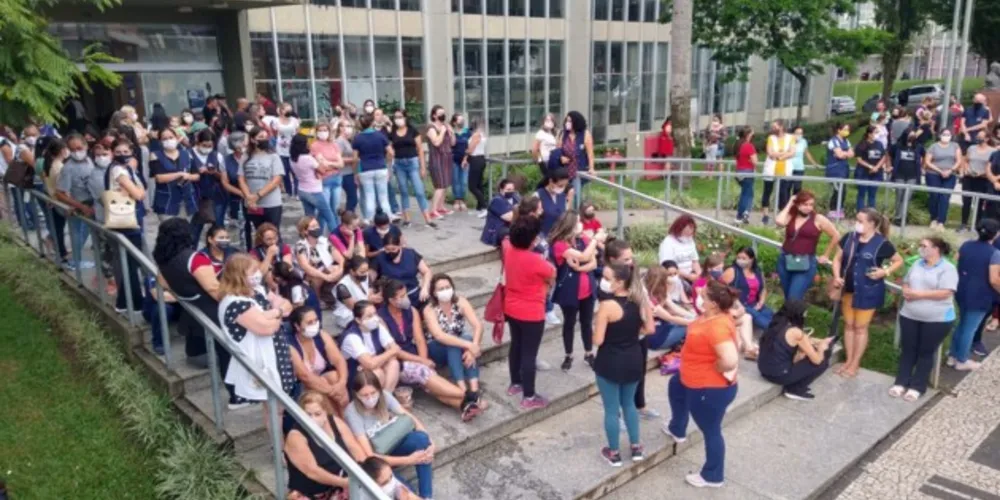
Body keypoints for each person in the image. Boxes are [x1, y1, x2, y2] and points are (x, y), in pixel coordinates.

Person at [663, 280, 740, 489]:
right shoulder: (710, 316)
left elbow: (731, 358)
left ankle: (713, 475)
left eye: (703, 295)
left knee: (711, 430)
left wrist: (717, 366)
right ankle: (677, 428)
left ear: (713, 303)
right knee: (675, 387)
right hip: (689, 377)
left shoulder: (717, 326)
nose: (698, 295)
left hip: (709, 388)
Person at [830, 208, 903, 378]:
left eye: (861, 221)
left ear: (872, 224)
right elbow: (837, 259)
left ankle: (855, 364)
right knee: (848, 325)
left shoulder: (882, 243)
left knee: (860, 327)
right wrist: (836, 276)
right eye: (857, 220)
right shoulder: (849, 237)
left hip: (868, 291)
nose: (857, 224)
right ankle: (848, 360)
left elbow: (898, 260)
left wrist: (884, 272)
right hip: (848, 289)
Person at [594, 262, 654, 466]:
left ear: (619, 282)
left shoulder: (607, 306)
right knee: (629, 404)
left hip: (610, 360)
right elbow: (650, 329)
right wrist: (633, 335)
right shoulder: (640, 300)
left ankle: (614, 452)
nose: (604, 281)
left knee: (611, 409)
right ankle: (636, 447)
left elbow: (598, 340)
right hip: (634, 358)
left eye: (608, 278)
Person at [344, 369, 436, 500]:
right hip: (377, 462)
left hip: (393, 445)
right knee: (404, 491)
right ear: (356, 394)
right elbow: (369, 455)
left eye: (373, 393)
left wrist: (430, 441)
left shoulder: (385, 396)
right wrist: (408, 460)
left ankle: (427, 496)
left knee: (421, 439)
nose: (370, 398)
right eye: (364, 395)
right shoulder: (352, 413)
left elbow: (408, 416)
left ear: (379, 390)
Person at [379, 280, 468, 410]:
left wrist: (424, 359)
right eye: (402, 296)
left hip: (414, 355)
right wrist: (422, 361)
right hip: (398, 360)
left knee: (432, 386)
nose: (406, 299)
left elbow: (420, 340)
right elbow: (394, 350)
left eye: (406, 294)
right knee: (424, 373)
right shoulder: (381, 318)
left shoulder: (411, 311)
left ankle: (466, 406)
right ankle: (468, 396)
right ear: (392, 300)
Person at [503, 216, 556, 410]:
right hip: (531, 312)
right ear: (533, 239)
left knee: (516, 345)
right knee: (529, 353)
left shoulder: (509, 250)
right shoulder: (535, 260)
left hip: (511, 307)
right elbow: (552, 273)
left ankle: (515, 383)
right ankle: (529, 395)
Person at [894, 237, 958, 399]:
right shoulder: (917, 264)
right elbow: (907, 281)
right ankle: (901, 381)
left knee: (925, 351)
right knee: (908, 349)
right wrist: (907, 289)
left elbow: (946, 292)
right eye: (920, 245)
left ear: (936, 249)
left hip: (937, 319)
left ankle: (917, 385)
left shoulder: (948, 268)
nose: (920, 248)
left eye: (924, 246)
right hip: (910, 314)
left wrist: (918, 294)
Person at [423, 274, 486, 421]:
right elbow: (439, 336)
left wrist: (473, 348)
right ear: (433, 292)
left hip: (459, 345)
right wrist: (469, 346)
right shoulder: (429, 309)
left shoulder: (460, 302)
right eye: (441, 288)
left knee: (465, 338)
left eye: (448, 287)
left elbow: (478, 325)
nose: (445, 290)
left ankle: (474, 391)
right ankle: (464, 392)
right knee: (455, 342)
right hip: (437, 349)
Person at [549, 210, 605, 370]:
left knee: (587, 323)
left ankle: (589, 353)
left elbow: (593, 262)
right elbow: (584, 256)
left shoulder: (582, 239)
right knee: (569, 323)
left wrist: (580, 269)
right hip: (569, 291)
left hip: (587, 289)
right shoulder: (559, 244)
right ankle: (568, 355)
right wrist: (595, 239)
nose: (581, 225)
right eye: (577, 222)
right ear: (570, 225)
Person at [284, 391, 366, 499]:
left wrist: (364, 470)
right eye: (308, 414)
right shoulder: (296, 437)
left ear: (325, 413)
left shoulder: (335, 423)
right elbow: (312, 471)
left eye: (317, 414)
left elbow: (354, 448)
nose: (312, 419)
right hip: (311, 492)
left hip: (341, 486)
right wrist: (344, 482)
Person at [103, 139, 148, 314]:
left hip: (128, 220)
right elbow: (139, 194)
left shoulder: (125, 169)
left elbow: (139, 191)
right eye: (119, 151)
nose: (123, 155)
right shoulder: (119, 170)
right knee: (130, 264)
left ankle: (124, 302)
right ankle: (133, 303)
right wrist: (137, 190)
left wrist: (137, 190)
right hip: (125, 223)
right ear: (113, 152)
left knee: (129, 264)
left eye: (126, 151)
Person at [758, 300, 832, 400]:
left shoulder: (776, 324)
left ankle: (794, 384)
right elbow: (817, 360)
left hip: (764, 370)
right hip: (779, 375)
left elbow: (795, 340)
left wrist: (818, 341)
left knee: (806, 354)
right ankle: (795, 389)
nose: (806, 315)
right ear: (798, 313)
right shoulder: (796, 332)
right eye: (804, 313)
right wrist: (822, 348)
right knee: (823, 360)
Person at [951, 219, 1000, 371]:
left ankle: (952, 356)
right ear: (996, 234)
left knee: (962, 324)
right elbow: (994, 279)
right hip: (981, 296)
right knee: (970, 328)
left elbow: (955, 262)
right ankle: (962, 360)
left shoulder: (966, 245)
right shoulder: (995, 253)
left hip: (962, 290)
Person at [775, 190, 840, 300]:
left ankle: (796, 316)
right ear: (798, 204)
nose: (808, 208)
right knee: (788, 297)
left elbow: (836, 235)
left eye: (811, 205)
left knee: (793, 298)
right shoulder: (792, 215)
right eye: (805, 204)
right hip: (786, 259)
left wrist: (826, 254)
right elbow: (779, 221)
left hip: (805, 262)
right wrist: (790, 202)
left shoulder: (818, 218)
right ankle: (795, 316)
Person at [287, 306, 350, 410]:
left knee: (334, 376)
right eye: (309, 322)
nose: (315, 325)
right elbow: (304, 376)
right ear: (297, 326)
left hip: (324, 382)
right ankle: (334, 421)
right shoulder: (291, 345)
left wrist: (342, 383)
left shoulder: (321, 335)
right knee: (322, 385)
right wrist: (332, 391)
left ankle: (345, 418)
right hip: (302, 387)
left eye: (316, 320)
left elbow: (339, 360)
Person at [54, 133, 95, 270]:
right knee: (77, 233)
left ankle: (75, 258)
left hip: (92, 203)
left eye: (79, 148)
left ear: (86, 146)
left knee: (87, 232)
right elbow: (59, 193)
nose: (77, 152)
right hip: (79, 205)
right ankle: (76, 261)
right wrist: (80, 206)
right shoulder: (68, 168)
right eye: (72, 150)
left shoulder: (89, 160)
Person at [390, 109, 435, 227]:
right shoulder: (392, 132)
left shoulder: (412, 131)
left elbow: (420, 149)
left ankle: (428, 219)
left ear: (405, 117)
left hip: (412, 162)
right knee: (404, 191)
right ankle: (407, 219)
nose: (398, 119)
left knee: (419, 191)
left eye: (400, 117)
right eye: (395, 117)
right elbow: (390, 150)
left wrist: (423, 167)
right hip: (399, 164)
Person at [239, 126, 285, 235]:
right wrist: (249, 197)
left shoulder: (273, 156)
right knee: (258, 234)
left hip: (271, 203)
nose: (264, 139)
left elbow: (276, 180)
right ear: (253, 139)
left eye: (265, 137)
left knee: (273, 233)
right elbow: (241, 178)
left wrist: (258, 195)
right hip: (252, 204)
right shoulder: (246, 156)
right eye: (261, 137)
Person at [353, 113, 395, 224]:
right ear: (372, 123)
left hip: (365, 169)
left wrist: (355, 173)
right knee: (383, 197)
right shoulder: (380, 135)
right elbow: (391, 152)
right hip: (381, 167)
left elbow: (355, 158)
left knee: (369, 197)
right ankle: (388, 220)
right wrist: (386, 163)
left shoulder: (358, 138)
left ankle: (369, 221)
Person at [149, 127, 198, 222]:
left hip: (186, 200)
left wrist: (188, 176)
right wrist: (180, 174)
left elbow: (196, 175)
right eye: (164, 139)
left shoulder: (187, 154)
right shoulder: (155, 155)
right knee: (169, 231)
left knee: (185, 231)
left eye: (171, 137)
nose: (168, 140)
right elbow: (159, 178)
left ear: (176, 138)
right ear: (160, 141)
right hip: (166, 200)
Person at [372, 232, 433, 308]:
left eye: (393, 249)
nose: (390, 252)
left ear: (399, 246)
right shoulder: (380, 258)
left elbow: (426, 271)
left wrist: (425, 288)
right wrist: (372, 294)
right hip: (394, 300)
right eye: (387, 249)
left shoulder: (410, 254)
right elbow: (370, 278)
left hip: (415, 294)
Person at [721, 247, 772, 336]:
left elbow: (763, 288)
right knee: (760, 319)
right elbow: (719, 287)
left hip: (755, 303)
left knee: (770, 314)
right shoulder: (732, 271)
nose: (740, 260)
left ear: (751, 259)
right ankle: (780, 334)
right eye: (739, 258)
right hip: (740, 305)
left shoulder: (757, 272)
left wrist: (761, 302)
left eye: (744, 258)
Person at [290, 133, 333, 236]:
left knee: (310, 218)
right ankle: (337, 238)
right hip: (314, 190)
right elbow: (322, 170)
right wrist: (320, 160)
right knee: (329, 216)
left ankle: (311, 238)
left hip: (302, 189)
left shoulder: (292, 158)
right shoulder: (308, 159)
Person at [189, 129, 228, 243]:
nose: (207, 148)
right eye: (204, 145)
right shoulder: (189, 154)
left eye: (210, 145)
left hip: (215, 194)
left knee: (218, 225)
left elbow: (224, 177)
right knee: (195, 227)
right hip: (197, 195)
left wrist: (214, 172)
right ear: (198, 143)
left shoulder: (217, 156)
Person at [294, 216, 342, 306]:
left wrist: (341, 267)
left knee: (337, 269)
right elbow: (306, 267)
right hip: (308, 274)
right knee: (316, 277)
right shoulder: (301, 246)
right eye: (313, 227)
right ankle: (318, 299)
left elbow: (337, 255)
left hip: (324, 268)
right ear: (305, 231)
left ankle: (334, 296)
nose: (316, 228)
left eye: (317, 225)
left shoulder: (323, 241)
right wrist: (325, 276)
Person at [645, 265, 695, 351]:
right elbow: (670, 318)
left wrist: (692, 315)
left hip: (660, 327)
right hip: (654, 338)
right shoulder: (648, 299)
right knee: (688, 327)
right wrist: (695, 322)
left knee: (683, 320)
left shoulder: (659, 292)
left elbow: (674, 307)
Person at [924, 129, 963, 230]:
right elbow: (927, 161)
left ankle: (941, 221)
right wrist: (940, 171)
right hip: (934, 174)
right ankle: (933, 219)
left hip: (950, 174)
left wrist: (950, 170)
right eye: (944, 134)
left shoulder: (955, 146)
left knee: (945, 197)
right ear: (940, 135)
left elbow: (959, 160)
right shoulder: (934, 146)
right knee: (934, 196)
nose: (946, 136)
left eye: (948, 134)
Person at [310, 119, 344, 233]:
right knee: (325, 209)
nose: (323, 132)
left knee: (335, 209)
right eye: (320, 130)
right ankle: (318, 234)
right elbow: (322, 166)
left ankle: (336, 234)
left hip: (337, 179)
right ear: (316, 132)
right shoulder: (315, 146)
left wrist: (330, 163)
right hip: (324, 181)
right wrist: (334, 165)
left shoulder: (334, 145)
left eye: (325, 130)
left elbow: (341, 164)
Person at [761, 119, 795, 225]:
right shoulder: (771, 138)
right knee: (767, 191)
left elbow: (792, 152)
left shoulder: (790, 138)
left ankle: (782, 214)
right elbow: (770, 152)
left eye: (775, 126)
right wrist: (783, 153)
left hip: (784, 169)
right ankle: (765, 215)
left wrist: (781, 156)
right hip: (771, 169)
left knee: (783, 193)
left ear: (781, 127)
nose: (773, 128)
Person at [41, 138, 69, 264]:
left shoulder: (51, 164)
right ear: (63, 151)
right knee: (59, 229)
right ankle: (61, 254)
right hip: (58, 202)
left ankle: (60, 250)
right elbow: (61, 188)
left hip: (53, 200)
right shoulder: (59, 166)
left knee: (58, 228)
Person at [557, 111, 595, 202]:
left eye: (570, 121)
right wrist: (561, 157)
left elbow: (590, 154)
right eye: (566, 121)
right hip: (565, 170)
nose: (567, 123)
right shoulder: (563, 134)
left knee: (574, 195)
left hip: (578, 170)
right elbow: (557, 151)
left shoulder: (585, 134)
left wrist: (591, 168)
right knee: (563, 194)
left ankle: (574, 213)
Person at [961, 130, 994, 232]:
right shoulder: (972, 148)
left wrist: (982, 173)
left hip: (982, 180)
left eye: (980, 136)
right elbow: (965, 160)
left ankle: (976, 225)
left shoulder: (992, 151)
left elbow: (992, 167)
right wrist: (966, 170)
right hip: (969, 178)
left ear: (987, 139)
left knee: (979, 204)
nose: (978, 138)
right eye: (978, 136)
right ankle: (963, 224)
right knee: (966, 202)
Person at [426, 105, 455, 217]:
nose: (443, 115)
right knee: (440, 185)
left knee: (446, 184)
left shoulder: (445, 126)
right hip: (437, 158)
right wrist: (442, 131)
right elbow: (436, 143)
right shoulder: (431, 128)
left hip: (447, 157)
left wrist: (451, 132)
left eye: (444, 113)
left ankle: (441, 206)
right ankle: (433, 210)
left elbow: (452, 143)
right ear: (434, 115)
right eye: (440, 113)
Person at [891, 129, 924, 226]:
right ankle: (897, 216)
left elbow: (925, 155)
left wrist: (923, 167)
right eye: (910, 135)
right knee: (899, 195)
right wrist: (889, 166)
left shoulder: (918, 147)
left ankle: (903, 217)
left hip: (912, 175)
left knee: (907, 197)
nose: (912, 137)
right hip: (899, 174)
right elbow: (888, 154)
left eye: (914, 135)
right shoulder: (897, 146)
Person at [657, 215, 701, 284]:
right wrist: (688, 276)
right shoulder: (668, 242)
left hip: (692, 274)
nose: (692, 231)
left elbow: (695, 261)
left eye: (693, 228)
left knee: (705, 284)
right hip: (676, 276)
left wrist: (699, 274)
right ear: (681, 227)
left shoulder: (690, 240)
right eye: (689, 228)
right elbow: (669, 266)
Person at [334, 256, 374, 329]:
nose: (366, 273)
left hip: (366, 308)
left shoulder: (367, 276)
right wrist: (371, 300)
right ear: (352, 272)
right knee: (369, 321)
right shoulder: (342, 286)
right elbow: (355, 308)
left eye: (367, 270)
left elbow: (370, 294)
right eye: (362, 272)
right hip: (348, 314)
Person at [854, 125, 888, 212]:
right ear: (869, 134)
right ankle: (860, 213)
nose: (877, 134)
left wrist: (877, 167)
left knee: (872, 195)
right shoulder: (861, 144)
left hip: (876, 174)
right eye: (875, 132)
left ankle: (871, 215)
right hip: (863, 173)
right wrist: (870, 166)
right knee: (861, 194)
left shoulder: (879, 144)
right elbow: (859, 159)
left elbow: (883, 157)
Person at [825, 122, 854, 220]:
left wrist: (843, 153)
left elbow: (851, 154)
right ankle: (833, 210)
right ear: (839, 130)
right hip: (835, 169)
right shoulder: (833, 141)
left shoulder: (847, 141)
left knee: (843, 191)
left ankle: (839, 209)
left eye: (848, 130)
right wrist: (844, 154)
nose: (847, 132)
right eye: (845, 129)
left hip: (844, 169)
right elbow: (839, 155)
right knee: (837, 191)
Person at [273, 101, 301, 197]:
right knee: (285, 171)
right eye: (286, 109)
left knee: (295, 170)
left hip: (293, 147)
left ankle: (297, 192)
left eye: (290, 109)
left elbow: (298, 133)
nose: (289, 111)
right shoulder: (276, 121)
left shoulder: (294, 120)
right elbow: (273, 133)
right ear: (281, 110)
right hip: (281, 148)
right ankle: (289, 191)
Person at [463, 117, 488, 218]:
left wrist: (465, 156)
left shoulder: (476, 135)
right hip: (481, 159)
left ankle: (485, 207)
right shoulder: (483, 134)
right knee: (478, 185)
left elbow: (471, 148)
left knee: (472, 186)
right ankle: (480, 208)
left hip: (475, 160)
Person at [537, 167, 571, 238]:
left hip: (560, 237)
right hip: (543, 237)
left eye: (565, 185)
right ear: (551, 181)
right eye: (560, 186)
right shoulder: (538, 195)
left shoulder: (562, 195)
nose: (563, 188)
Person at [335, 118, 360, 214]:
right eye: (347, 126)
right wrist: (353, 159)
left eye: (350, 126)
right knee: (352, 198)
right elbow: (338, 158)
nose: (349, 129)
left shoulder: (347, 140)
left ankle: (349, 218)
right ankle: (348, 219)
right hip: (344, 173)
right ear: (340, 128)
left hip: (349, 172)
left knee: (352, 198)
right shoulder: (340, 141)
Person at [733, 126, 757, 225]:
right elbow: (755, 160)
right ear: (748, 134)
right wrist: (752, 162)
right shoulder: (748, 146)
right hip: (747, 172)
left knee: (749, 193)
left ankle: (746, 213)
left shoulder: (738, 145)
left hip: (739, 171)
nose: (753, 135)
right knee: (746, 195)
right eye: (752, 134)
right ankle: (740, 216)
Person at [451, 113, 471, 213]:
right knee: (455, 181)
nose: (462, 122)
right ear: (454, 122)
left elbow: (470, 146)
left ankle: (463, 200)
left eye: (462, 120)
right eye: (459, 120)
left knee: (464, 182)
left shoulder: (467, 132)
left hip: (465, 160)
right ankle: (457, 200)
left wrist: (466, 158)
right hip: (453, 160)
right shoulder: (451, 132)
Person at [789, 126, 818, 195]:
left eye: (801, 133)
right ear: (793, 133)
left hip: (799, 168)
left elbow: (806, 153)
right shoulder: (788, 141)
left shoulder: (803, 141)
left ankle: (795, 203)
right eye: (797, 133)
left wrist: (813, 163)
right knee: (787, 188)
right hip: (789, 167)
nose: (799, 135)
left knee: (797, 188)